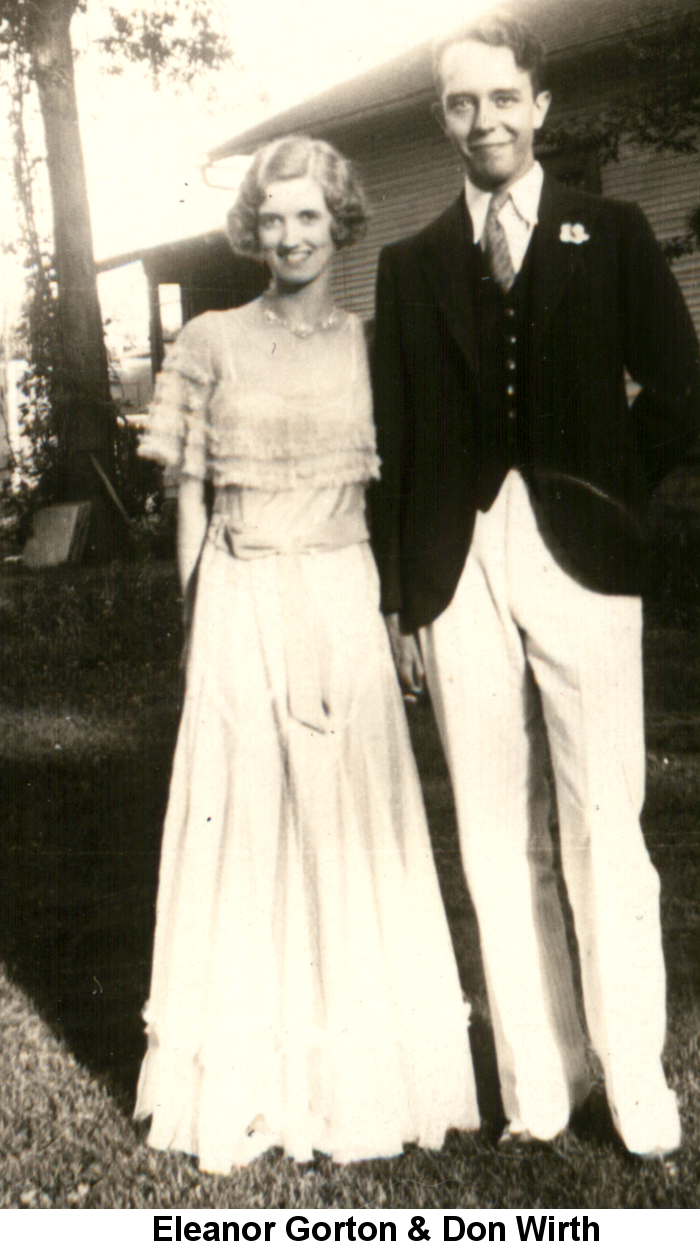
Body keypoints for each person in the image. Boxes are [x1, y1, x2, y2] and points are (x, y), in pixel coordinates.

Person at [369, 12, 700, 1159]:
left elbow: (677, 396)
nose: (484, 121)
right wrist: (399, 597)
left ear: (539, 106)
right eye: (460, 103)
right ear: (442, 119)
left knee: (604, 817)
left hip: (582, 560)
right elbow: (395, 445)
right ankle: (538, 1081)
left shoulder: (609, 232)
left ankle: (633, 1077)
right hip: (452, 565)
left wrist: (605, 494)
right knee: (493, 829)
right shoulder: (410, 264)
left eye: (502, 98)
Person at [134, 136, 479, 1175]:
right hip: (239, 594)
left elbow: (404, 486)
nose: (290, 237)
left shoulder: (372, 346)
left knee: (346, 820)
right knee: (243, 819)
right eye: (273, 218)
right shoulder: (210, 338)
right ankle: (245, 1082)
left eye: (309, 217)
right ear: (253, 229)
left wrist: (398, 613)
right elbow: (190, 495)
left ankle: (357, 1079)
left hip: (340, 593)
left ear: (340, 225)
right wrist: (195, 624)